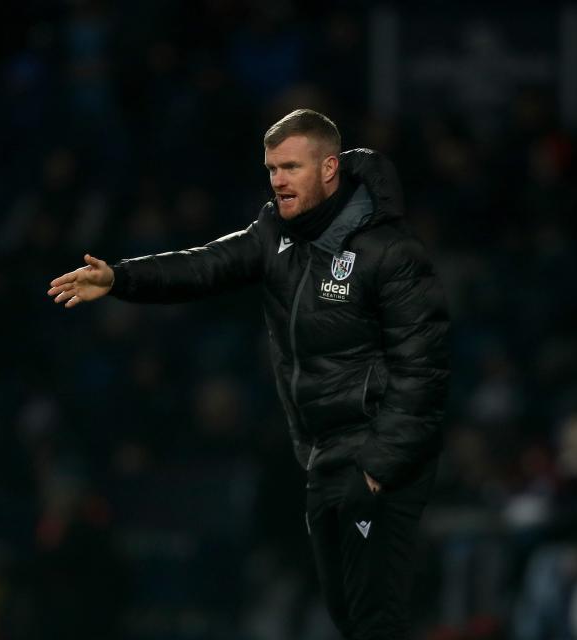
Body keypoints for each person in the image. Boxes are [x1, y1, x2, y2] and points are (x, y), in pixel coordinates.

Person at [47, 109, 449, 638]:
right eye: (272, 168)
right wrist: (121, 278)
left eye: (291, 167)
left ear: (329, 168)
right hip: (323, 454)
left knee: (376, 618)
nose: (278, 180)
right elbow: (205, 264)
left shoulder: (388, 251)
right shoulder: (275, 232)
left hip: (375, 454)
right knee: (348, 614)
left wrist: (380, 464)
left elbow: (423, 369)